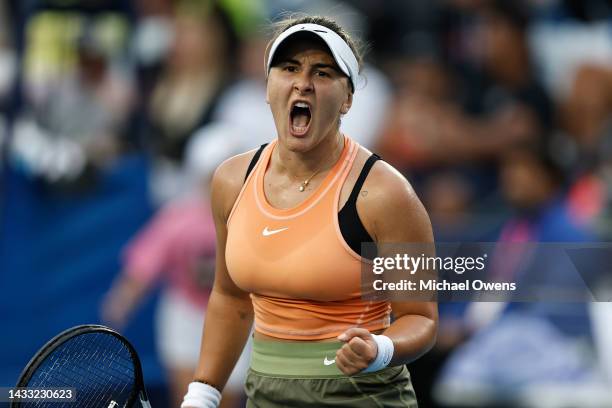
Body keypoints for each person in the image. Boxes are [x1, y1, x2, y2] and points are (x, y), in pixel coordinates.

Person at [181, 16, 438, 408]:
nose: (302, 82)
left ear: (348, 98)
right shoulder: (231, 181)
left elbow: (421, 318)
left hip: (361, 398)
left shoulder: (385, 194)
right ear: (268, 88)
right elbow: (231, 298)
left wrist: (380, 348)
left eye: (322, 72)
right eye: (289, 69)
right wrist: (202, 395)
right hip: (265, 396)